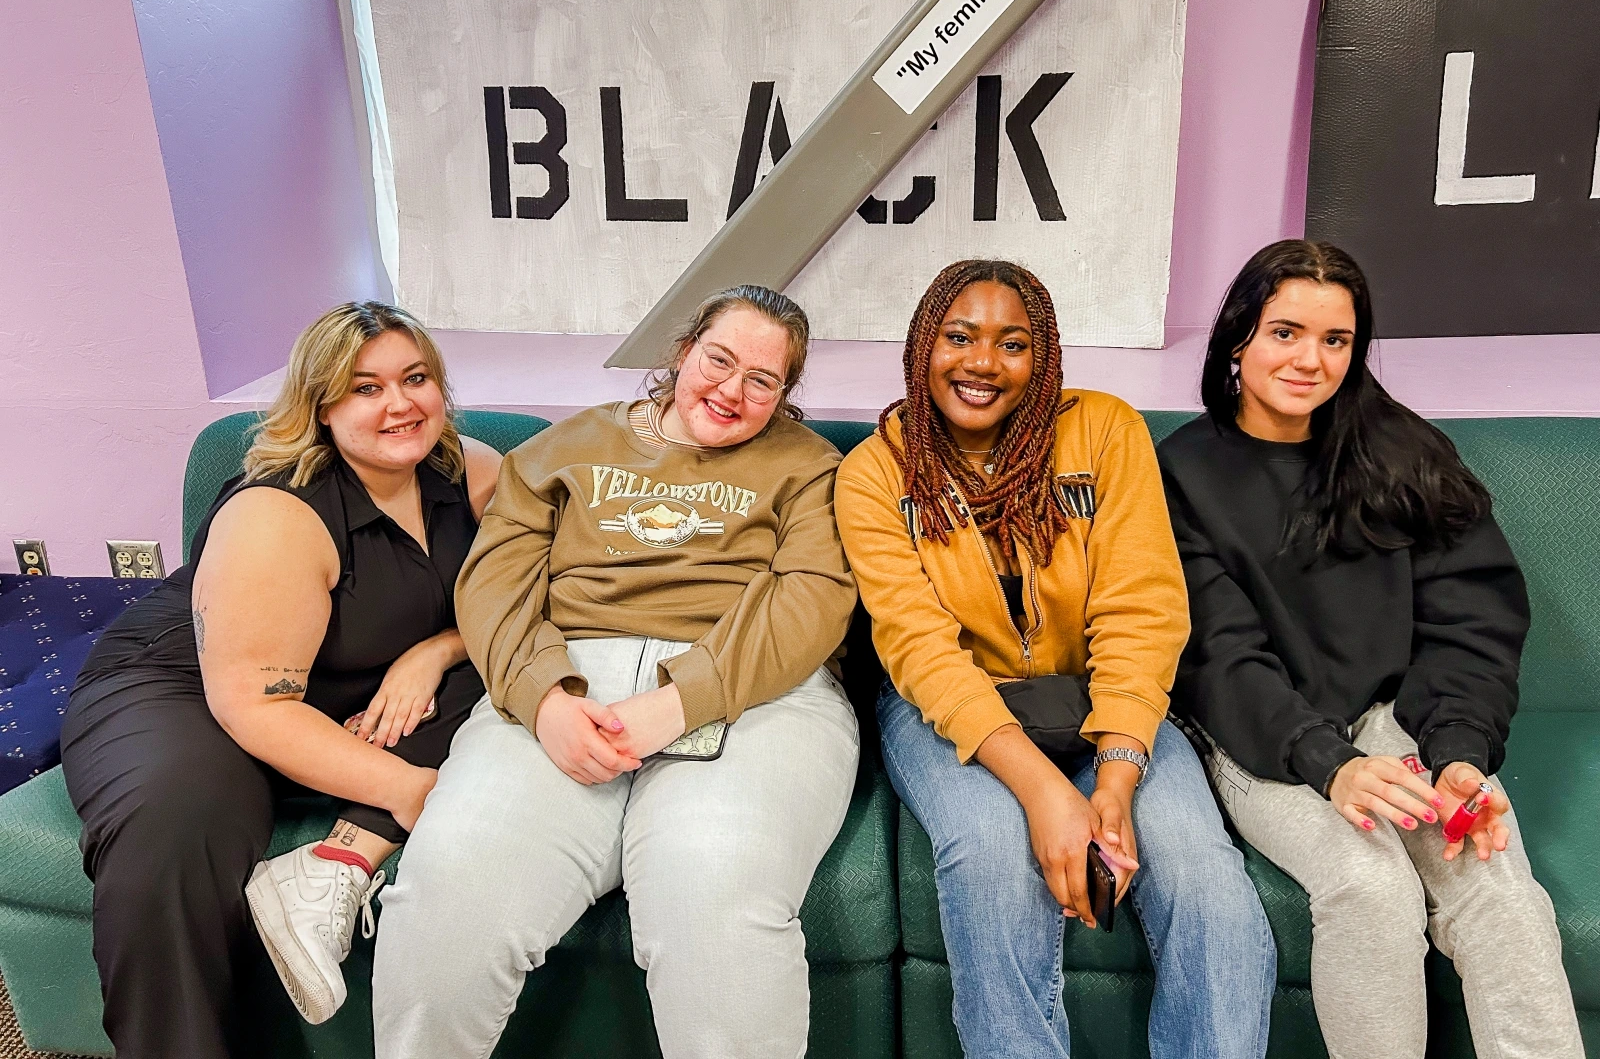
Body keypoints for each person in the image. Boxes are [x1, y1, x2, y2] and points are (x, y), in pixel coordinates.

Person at [371, 284, 859, 1059]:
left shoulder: (812, 469)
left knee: (713, 893)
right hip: (569, 680)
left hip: (755, 693)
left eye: (762, 381)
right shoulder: (562, 451)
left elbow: (812, 601)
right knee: (448, 891)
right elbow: (495, 586)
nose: (732, 390)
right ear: (681, 353)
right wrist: (543, 703)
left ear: (785, 394)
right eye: (718, 360)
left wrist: (680, 701)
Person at [835, 259, 1275, 1059]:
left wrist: (1114, 775)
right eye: (958, 337)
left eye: (1013, 344)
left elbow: (1142, 608)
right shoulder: (874, 471)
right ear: (921, 346)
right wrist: (1045, 795)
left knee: (1208, 880)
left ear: (1045, 360)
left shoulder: (1106, 430)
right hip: (948, 705)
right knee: (992, 860)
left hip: (1101, 695)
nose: (980, 363)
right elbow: (919, 649)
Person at [1158, 239, 1584, 1059]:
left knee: (1496, 890)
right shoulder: (1181, 473)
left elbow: (1473, 618)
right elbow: (1217, 653)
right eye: (1285, 332)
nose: (1309, 360)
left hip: (1404, 720)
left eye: (1335, 340)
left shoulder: (1405, 451)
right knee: (1369, 885)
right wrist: (1329, 763)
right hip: (1266, 737)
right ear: (1238, 336)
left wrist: (1459, 752)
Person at [60, 302, 502, 1057]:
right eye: (364, 388)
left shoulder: (471, 469)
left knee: (510, 676)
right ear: (320, 406)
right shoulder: (277, 511)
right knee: (179, 826)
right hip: (193, 688)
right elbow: (254, 705)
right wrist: (407, 791)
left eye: (415, 378)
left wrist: (437, 649)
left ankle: (329, 866)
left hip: (350, 689)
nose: (399, 404)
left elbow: (541, 589)